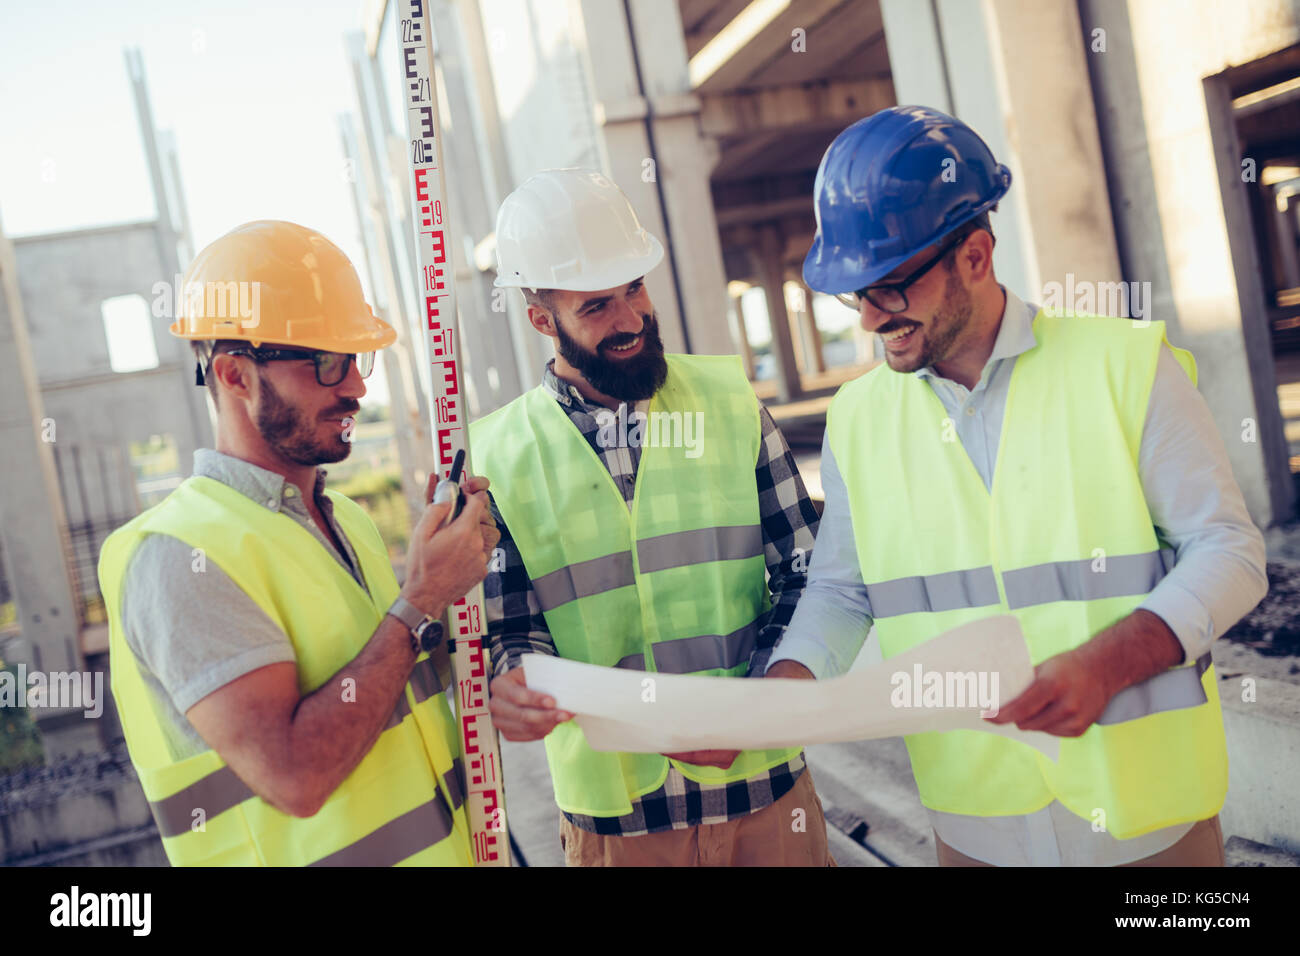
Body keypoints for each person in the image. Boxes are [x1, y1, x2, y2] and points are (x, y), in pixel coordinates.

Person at [769, 106, 1269, 867]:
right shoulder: (860, 419)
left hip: (1149, 827)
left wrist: (1107, 663)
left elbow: (1229, 551)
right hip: (976, 828)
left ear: (976, 254)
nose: (872, 317)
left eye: (891, 286)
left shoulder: (1123, 366)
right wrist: (785, 686)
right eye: (855, 295)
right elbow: (843, 591)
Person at [99, 220, 499, 866]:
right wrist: (421, 599)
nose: (357, 388)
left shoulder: (346, 520)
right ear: (235, 375)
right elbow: (295, 777)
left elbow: (390, 696)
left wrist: (461, 611)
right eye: (327, 362)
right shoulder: (178, 555)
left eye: (356, 360)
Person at [472, 169, 831, 866]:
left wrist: (760, 702)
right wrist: (512, 681)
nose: (632, 320)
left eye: (636, 288)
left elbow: (807, 573)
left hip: (766, 793)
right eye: (598, 305)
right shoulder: (496, 456)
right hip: (618, 824)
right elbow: (512, 630)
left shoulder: (729, 402)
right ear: (541, 318)